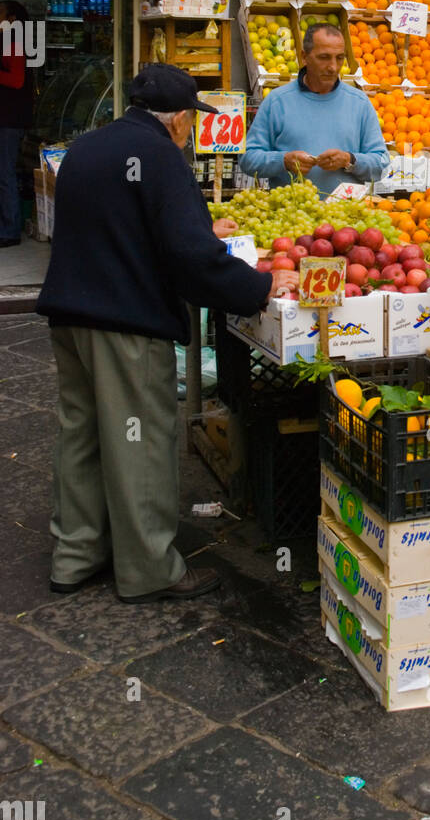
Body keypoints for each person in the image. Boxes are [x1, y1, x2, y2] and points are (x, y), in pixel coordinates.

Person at [36, 63, 298, 604]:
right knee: (140, 443)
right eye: (190, 122)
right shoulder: (161, 157)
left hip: (70, 316)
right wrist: (258, 287)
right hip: (126, 325)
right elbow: (188, 257)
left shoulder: (86, 147)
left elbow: (122, 221)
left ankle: (75, 555)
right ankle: (151, 567)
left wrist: (198, 224)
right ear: (179, 120)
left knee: (81, 437)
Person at [240, 22, 388, 196]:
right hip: (292, 216)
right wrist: (283, 160)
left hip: (346, 217)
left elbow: (382, 164)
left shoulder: (359, 102)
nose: (333, 67)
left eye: (339, 58)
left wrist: (350, 159)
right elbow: (247, 159)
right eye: (324, 57)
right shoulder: (277, 102)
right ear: (304, 57)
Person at [0, 0, 35, 249]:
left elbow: (15, 80)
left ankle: (9, 230)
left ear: (11, 19)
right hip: (6, 118)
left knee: (5, 173)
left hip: (9, 120)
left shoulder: (14, 42)